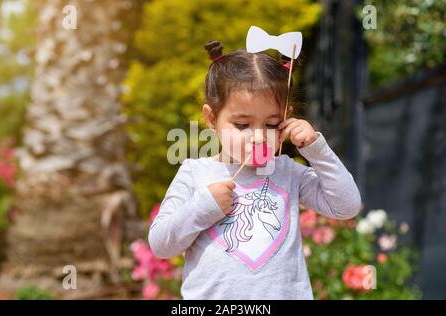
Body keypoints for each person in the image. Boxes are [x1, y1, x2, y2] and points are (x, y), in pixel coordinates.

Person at [148, 40, 362, 299]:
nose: (258, 137)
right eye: (241, 125)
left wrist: (317, 149)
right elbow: (161, 244)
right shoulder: (195, 172)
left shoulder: (288, 171)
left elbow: (346, 206)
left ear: (286, 118)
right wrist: (203, 207)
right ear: (212, 119)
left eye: (272, 124)